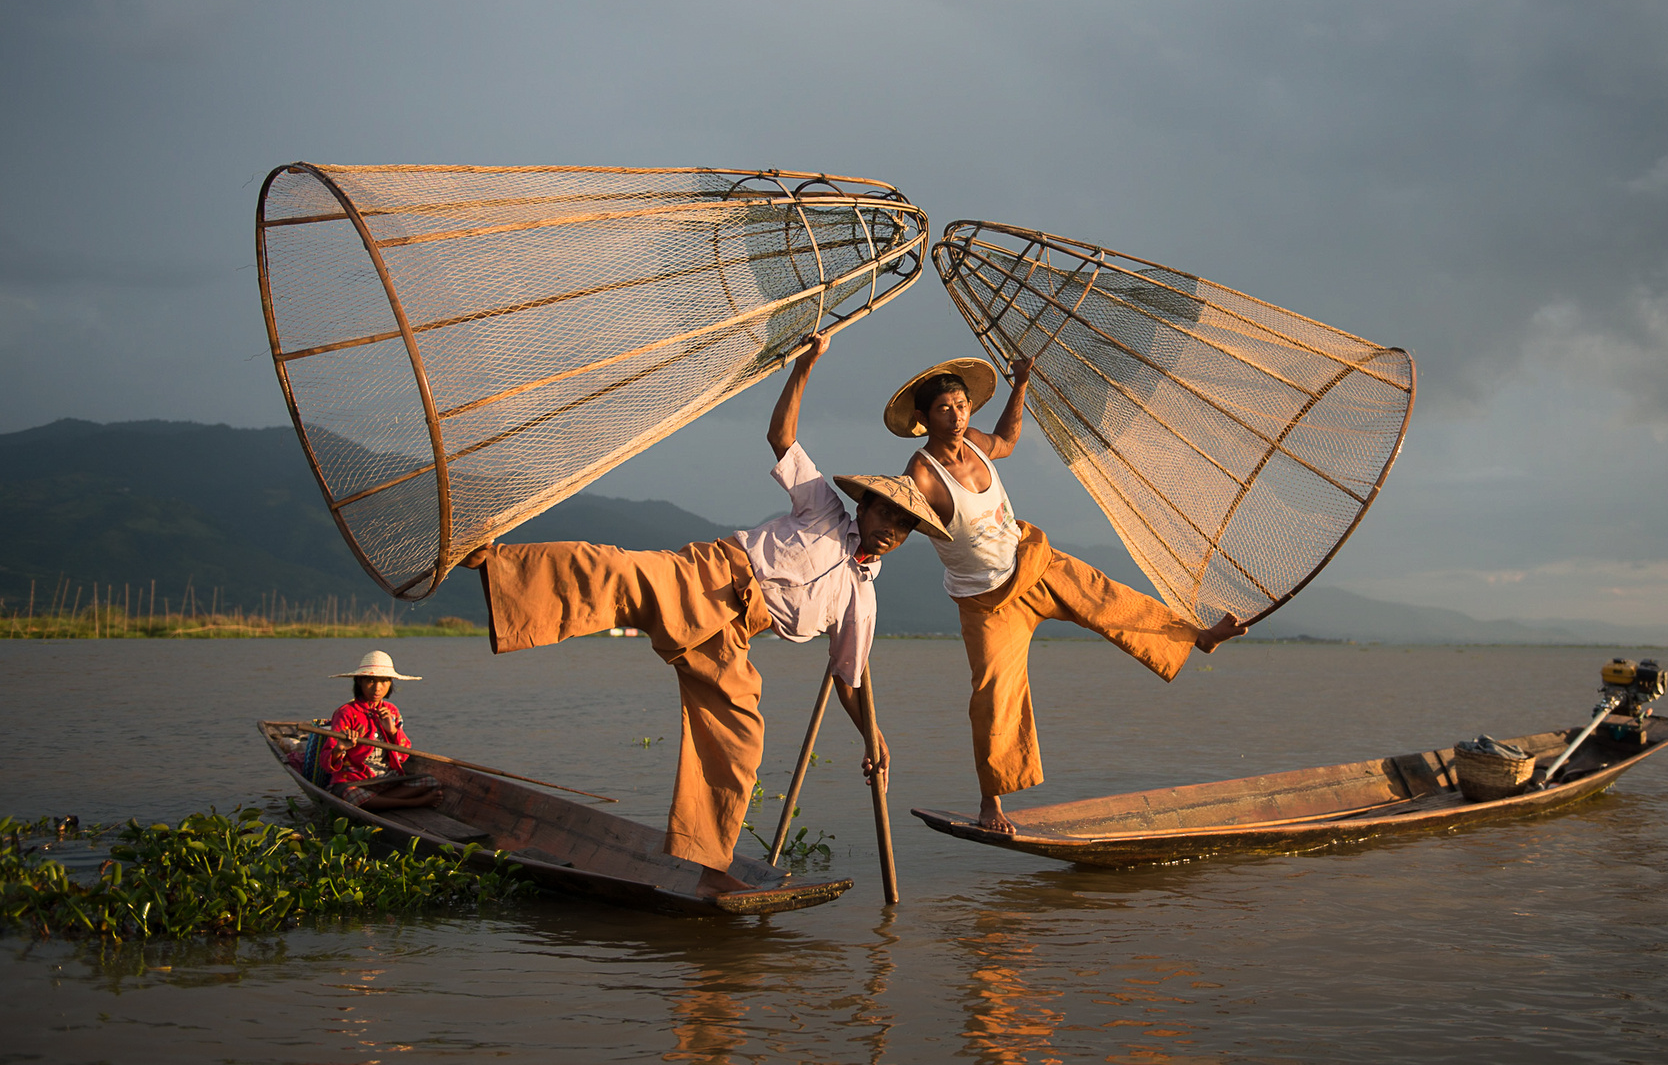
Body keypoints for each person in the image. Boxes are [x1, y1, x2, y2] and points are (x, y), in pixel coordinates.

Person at [460, 329, 949, 898]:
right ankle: (491, 564)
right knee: (615, 573)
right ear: (863, 506)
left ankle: (709, 865)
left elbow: (849, 679)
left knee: (740, 736)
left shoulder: (861, 597)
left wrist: (873, 736)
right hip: (710, 576)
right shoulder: (823, 509)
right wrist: (806, 366)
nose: (890, 531)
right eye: (884, 515)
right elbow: (780, 435)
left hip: (737, 634)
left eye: (902, 527)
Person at [892, 356, 1248, 836]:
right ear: (925, 418)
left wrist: (1020, 384)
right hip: (988, 601)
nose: (957, 416)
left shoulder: (975, 443)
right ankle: (990, 800)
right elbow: (892, 521)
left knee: (1107, 598)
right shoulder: (922, 473)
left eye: (961, 405)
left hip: (1032, 562)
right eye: (943, 409)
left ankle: (1195, 638)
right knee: (994, 693)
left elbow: (1009, 440)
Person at [325, 650, 444, 810]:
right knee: (351, 795)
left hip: (386, 779)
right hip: (355, 780)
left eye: (384, 681)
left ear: (390, 683)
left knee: (430, 781)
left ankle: (377, 802)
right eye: (371, 681)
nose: (377, 688)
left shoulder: (391, 711)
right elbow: (326, 761)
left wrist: (392, 731)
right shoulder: (346, 713)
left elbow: (403, 755)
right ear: (359, 681)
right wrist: (340, 748)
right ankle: (413, 803)